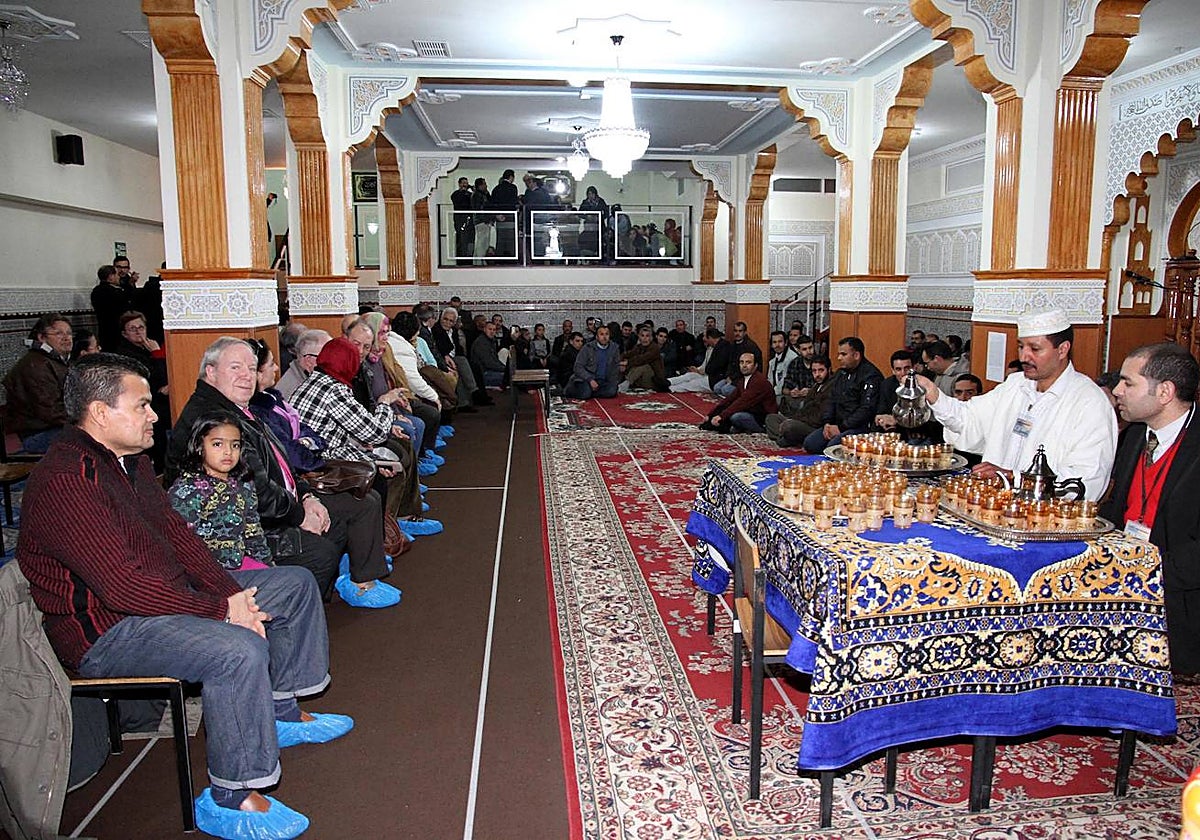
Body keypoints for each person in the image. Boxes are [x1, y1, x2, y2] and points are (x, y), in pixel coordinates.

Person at [17, 353, 351, 840]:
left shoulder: (125, 462)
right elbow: (121, 586)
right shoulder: (70, 479)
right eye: (143, 405)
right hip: (105, 631)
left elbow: (179, 538)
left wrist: (228, 594)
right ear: (100, 412)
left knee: (294, 585)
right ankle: (231, 795)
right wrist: (221, 609)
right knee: (237, 650)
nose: (155, 414)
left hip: (159, 599)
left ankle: (281, 709)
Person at [170, 338, 389, 601]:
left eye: (252, 369)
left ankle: (354, 582)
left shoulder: (240, 407)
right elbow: (256, 492)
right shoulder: (215, 419)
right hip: (241, 527)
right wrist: (299, 515)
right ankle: (289, 616)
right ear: (211, 372)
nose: (246, 376)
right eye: (236, 368)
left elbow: (282, 461)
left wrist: (307, 497)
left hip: (278, 503)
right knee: (322, 550)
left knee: (356, 507)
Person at [916, 308, 1116, 500]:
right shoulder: (1015, 385)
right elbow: (970, 419)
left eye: (1035, 349)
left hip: (1045, 521)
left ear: (1063, 349)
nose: (1023, 357)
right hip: (996, 508)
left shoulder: (1089, 402)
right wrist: (934, 395)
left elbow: (1086, 479)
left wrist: (1015, 478)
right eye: (1021, 346)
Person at [1101, 343, 1200, 679]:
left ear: (1165, 392)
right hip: (1126, 581)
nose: (1117, 391)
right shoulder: (1134, 437)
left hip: (1178, 599)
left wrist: (1147, 572)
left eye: (1128, 383)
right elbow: (1117, 511)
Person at [168, 412, 274, 571]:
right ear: (199, 446)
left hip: (241, 563)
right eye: (218, 444)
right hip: (207, 572)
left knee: (293, 579)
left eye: (235, 445)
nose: (228, 452)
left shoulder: (243, 484)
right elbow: (182, 545)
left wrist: (269, 567)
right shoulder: (187, 491)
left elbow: (253, 533)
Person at [3, 313, 72, 453]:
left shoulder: (52, 361)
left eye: (69, 333)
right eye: (58, 333)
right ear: (41, 337)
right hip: (37, 434)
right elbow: (51, 412)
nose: (66, 338)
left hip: (49, 428)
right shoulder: (36, 366)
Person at [802, 336, 883, 454]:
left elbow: (866, 409)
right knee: (810, 443)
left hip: (858, 427)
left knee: (832, 449)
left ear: (856, 355)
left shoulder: (871, 376)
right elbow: (832, 399)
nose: (839, 358)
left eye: (843, 354)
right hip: (837, 423)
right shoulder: (841, 373)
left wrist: (841, 427)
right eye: (839, 354)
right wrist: (827, 423)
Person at [112, 310, 170, 469]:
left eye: (141, 327)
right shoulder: (125, 354)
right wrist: (157, 354)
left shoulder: (148, 347)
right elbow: (150, 380)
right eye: (133, 329)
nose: (138, 331)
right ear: (124, 334)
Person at [699, 352, 777, 434]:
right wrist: (711, 414)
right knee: (729, 413)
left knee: (736, 417)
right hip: (751, 412)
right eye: (741, 362)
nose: (744, 365)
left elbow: (742, 402)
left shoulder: (759, 381)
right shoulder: (743, 380)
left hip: (763, 419)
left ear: (755, 365)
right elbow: (730, 399)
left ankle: (761, 430)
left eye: (748, 362)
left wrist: (721, 416)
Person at [765, 355, 832, 447]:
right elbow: (804, 409)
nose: (817, 374)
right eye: (814, 371)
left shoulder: (831, 388)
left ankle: (786, 438)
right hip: (803, 421)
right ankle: (787, 439)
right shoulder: (815, 387)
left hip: (815, 427)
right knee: (771, 418)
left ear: (828, 370)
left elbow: (819, 418)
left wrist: (796, 421)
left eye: (821, 370)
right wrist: (794, 419)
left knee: (789, 426)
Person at [564, 324, 620, 400]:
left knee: (612, 391)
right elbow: (578, 367)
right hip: (586, 380)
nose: (604, 337)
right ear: (597, 337)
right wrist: (590, 379)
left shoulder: (614, 348)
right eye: (601, 334)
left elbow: (615, 368)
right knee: (585, 393)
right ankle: (571, 390)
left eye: (607, 334)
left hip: (603, 381)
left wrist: (613, 382)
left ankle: (591, 393)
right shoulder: (588, 348)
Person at [275, 328, 332, 401]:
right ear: (309, 361)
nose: (335, 360)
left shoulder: (305, 376)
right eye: (329, 355)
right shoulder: (296, 391)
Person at [668, 328, 731, 393]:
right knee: (689, 375)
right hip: (707, 375)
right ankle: (667, 382)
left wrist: (701, 371)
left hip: (715, 379)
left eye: (705, 337)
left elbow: (717, 366)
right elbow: (706, 366)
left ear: (709, 337)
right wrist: (697, 370)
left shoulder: (724, 347)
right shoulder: (714, 347)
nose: (703, 339)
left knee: (692, 384)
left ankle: (670, 388)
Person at [713, 321, 762, 398]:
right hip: (733, 377)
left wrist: (732, 379)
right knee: (716, 388)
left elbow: (747, 369)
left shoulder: (750, 347)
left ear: (745, 332)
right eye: (735, 331)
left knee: (725, 390)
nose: (737, 333)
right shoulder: (733, 345)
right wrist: (728, 376)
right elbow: (730, 362)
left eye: (740, 331)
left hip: (744, 378)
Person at [90, 265, 132, 352]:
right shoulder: (114, 292)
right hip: (116, 332)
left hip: (103, 330)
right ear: (110, 277)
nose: (118, 277)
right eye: (116, 274)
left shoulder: (96, 291)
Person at [620, 325, 668, 392]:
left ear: (651, 338)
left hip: (654, 381)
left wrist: (627, 363)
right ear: (639, 337)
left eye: (647, 336)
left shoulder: (654, 348)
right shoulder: (638, 347)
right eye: (642, 336)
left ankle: (626, 384)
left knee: (644, 366)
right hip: (640, 379)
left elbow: (642, 359)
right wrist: (619, 361)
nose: (645, 338)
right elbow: (627, 354)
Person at [486, 169, 519, 258]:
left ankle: (500, 257)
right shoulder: (513, 188)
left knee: (500, 238)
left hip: (500, 217)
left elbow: (492, 203)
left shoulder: (496, 189)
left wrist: (497, 214)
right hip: (510, 216)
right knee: (511, 239)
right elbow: (514, 202)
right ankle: (511, 257)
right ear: (511, 177)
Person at [764, 331, 798, 397]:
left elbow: (785, 383)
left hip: (789, 396)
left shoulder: (792, 358)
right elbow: (770, 381)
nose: (777, 345)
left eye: (780, 341)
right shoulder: (772, 362)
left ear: (786, 343)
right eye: (774, 342)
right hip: (775, 394)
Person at [450, 176, 474, 263]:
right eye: (463, 183)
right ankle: (461, 260)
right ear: (459, 184)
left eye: (466, 183)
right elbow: (459, 203)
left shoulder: (470, 195)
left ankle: (469, 259)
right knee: (461, 240)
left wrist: (472, 189)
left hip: (470, 221)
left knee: (469, 241)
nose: (465, 185)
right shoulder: (456, 194)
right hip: (460, 219)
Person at [471, 177, 491, 265]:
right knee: (482, 243)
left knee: (481, 242)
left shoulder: (479, 194)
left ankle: (478, 261)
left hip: (480, 221)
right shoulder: (478, 195)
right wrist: (487, 219)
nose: (486, 185)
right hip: (481, 221)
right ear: (480, 185)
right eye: (484, 184)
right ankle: (479, 261)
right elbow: (481, 209)